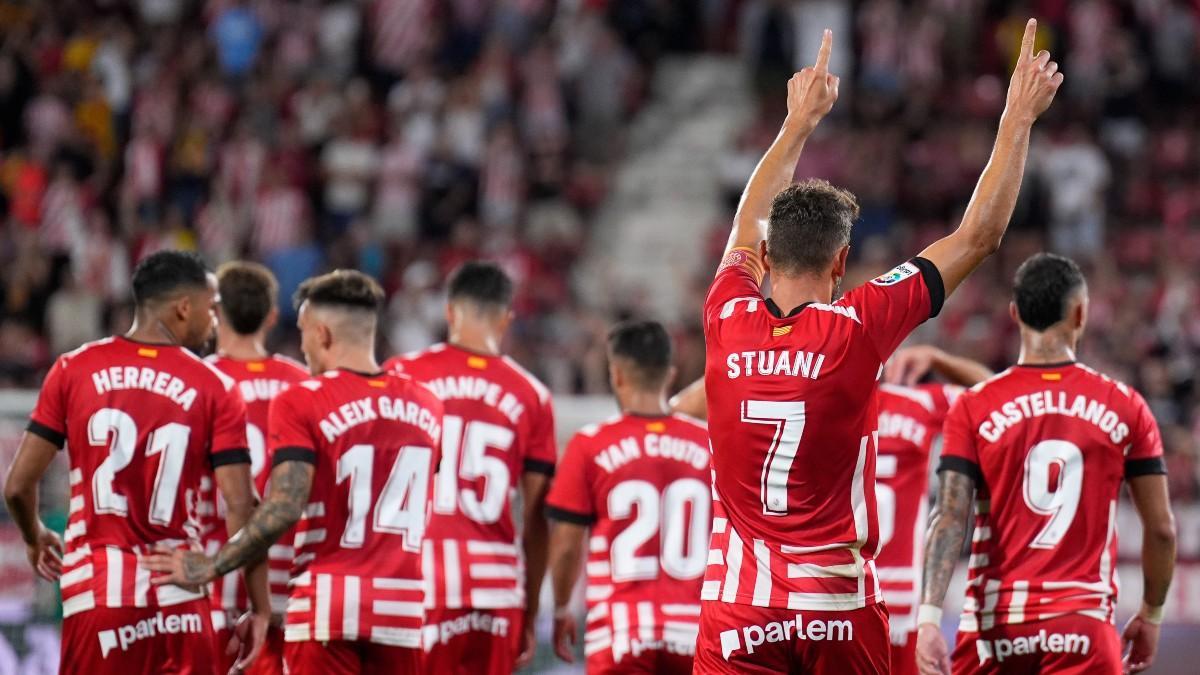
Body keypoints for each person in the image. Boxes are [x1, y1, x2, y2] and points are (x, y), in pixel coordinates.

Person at [694, 21, 1061, 674]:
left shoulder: (727, 313)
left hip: (739, 608)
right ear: (842, 263)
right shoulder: (859, 328)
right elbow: (978, 236)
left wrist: (797, 124)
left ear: (767, 257)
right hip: (838, 605)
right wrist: (1016, 118)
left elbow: (744, 224)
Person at [144, 270, 444, 674]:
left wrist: (210, 565)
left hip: (322, 605)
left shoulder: (303, 398)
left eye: (303, 331)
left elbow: (284, 506)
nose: (301, 345)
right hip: (403, 610)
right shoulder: (428, 405)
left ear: (322, 333)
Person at [3, 250, 268, 674]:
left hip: (98, 599)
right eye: (211, 307)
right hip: (181, 599)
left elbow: (16, 487)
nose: (216, 320)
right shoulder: (214, 385)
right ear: (184, 307)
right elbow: (243, 506)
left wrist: (35, 536)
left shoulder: (73, 369)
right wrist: (258, 607)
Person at [916, 254, 1177, 675]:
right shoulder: (1125, 405)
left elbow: (948, 517)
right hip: (1083, 626)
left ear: (1015, 314)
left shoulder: (974, 405)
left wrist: (928, 618)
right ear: (1081, 313)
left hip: (993, 629)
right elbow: (1162, 528)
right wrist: (1152, 614)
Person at [383, 261, 556, 672]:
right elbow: (537, 516)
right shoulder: (531, 395)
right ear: (506, 319)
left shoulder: (401, 376)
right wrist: (530, 610)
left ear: (448, 312)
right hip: (495, 588)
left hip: (417, 581)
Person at [546, 320, 710, 673]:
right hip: (695, 635)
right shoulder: (708, 446)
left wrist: (560, 608)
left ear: (616, 374)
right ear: (670, 374)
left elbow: (565, 544)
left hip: (620, 633)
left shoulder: (590, 444)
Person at [203, 261, 310, 675]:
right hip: (292, 586)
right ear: (271, 316)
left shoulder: (199, 381)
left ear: (215, 314)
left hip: (213, 581)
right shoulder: (304, 385)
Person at [874, 347, 992, 675]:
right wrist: (938, 358)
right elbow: (994, 392)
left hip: (838, 588)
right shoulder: (921, 403)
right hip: (901, 594)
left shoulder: (831, 400)